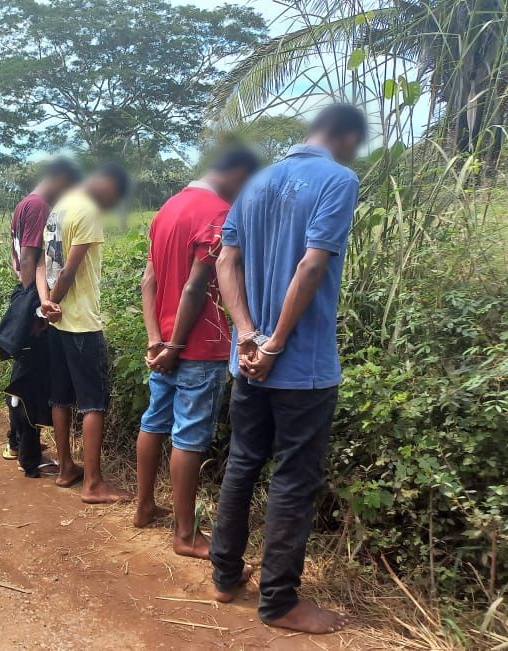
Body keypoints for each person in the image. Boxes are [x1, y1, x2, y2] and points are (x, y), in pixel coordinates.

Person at [209, 104, 367, 634]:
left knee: (242, 463)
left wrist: (248, 335)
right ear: (345, 137)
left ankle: (225, 576)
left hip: (247, 362)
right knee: (293, 479)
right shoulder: (339, 180)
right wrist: (274, 342)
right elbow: (312, 263)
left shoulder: (256, 183)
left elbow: (225, 261)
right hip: (302, 368)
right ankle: (279, 602)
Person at [134, 149, 262, 560]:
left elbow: (147, 281)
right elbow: (195, 287)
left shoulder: (167, 209)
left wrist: (156, 338)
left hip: (164, 344)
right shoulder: (218, 213)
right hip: (198, 345)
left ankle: (143, 507)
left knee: (155, 421)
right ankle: (185, 535)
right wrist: (174, 345)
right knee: (189, 435)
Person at [36, 162, 132, 503]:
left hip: (56, 323)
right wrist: (55, 301)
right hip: (81, 323)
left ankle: (65, 469)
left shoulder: (58, 208)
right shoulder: (88, 212)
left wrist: (45, 305)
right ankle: (93, 484)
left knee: (60, 397)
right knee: (93, 403)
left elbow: (43, 264)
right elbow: (70, 269)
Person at [1, 158, 82, 476]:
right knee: (30, 382)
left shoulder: (25, 204)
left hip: (28, 299)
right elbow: (29, 260)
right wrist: (34, 307)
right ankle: (28, 455)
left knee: (23, 376)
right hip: (34, 302)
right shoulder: (37, 207)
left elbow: (19, 258)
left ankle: (17, 443)